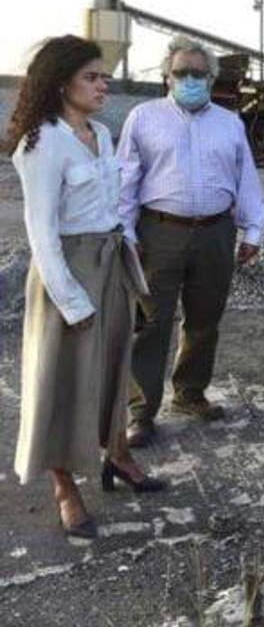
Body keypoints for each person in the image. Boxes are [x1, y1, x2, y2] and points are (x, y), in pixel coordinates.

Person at [5, 36, 166, 540]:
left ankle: (116, 455)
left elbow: (112, 205)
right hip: (68, 271)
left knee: (114, 367)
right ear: (61, 84)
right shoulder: (41, 143)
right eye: (92, 77)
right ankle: (64, 487)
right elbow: (41, 231)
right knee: (63, 380)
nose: (104, 85)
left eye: (104, 76)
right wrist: (71, 299)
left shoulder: (101, 131)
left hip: (109, 261)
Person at [117, 35, 264, 447]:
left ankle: (189, 394)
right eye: (181, 72)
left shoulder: (229, 122)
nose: (189, 79)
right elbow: (126, 179)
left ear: (211, 78)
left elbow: (246, 179)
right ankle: (141, 411)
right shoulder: (143, 117)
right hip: (159, 232)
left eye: (198, 73)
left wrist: (252, 229)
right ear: (167, 75)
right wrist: (125, 233)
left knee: (204, 319)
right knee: (150, 323)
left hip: (217, 232)